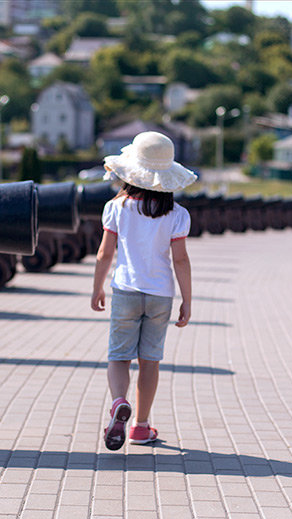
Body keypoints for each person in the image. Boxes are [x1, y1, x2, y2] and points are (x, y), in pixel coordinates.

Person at [91, 131, 195, 451]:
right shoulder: (177, 215)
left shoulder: (117, 207)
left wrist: (97, 287)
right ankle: (140, 426)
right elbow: (180, 259)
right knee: (150, 361)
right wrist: (187, 301)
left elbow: (105, 254)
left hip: (125, 289)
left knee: (119, 357)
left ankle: (119, 402)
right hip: (161, 294)